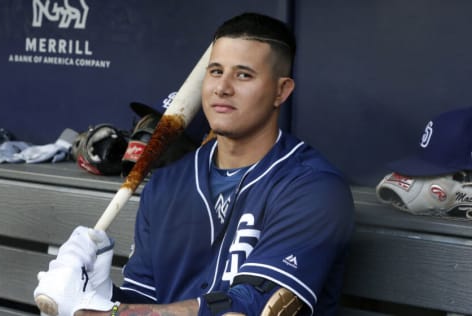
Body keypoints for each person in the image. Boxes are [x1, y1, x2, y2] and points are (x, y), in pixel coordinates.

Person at [34, 12, 354, 316]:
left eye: (243, 75)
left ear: (281, 91)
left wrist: (102, 312)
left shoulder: (314, 190)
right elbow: (146, 300)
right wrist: (97, 292)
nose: (222, 87)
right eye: (215, 71)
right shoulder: (165, 185)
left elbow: (252, 308)